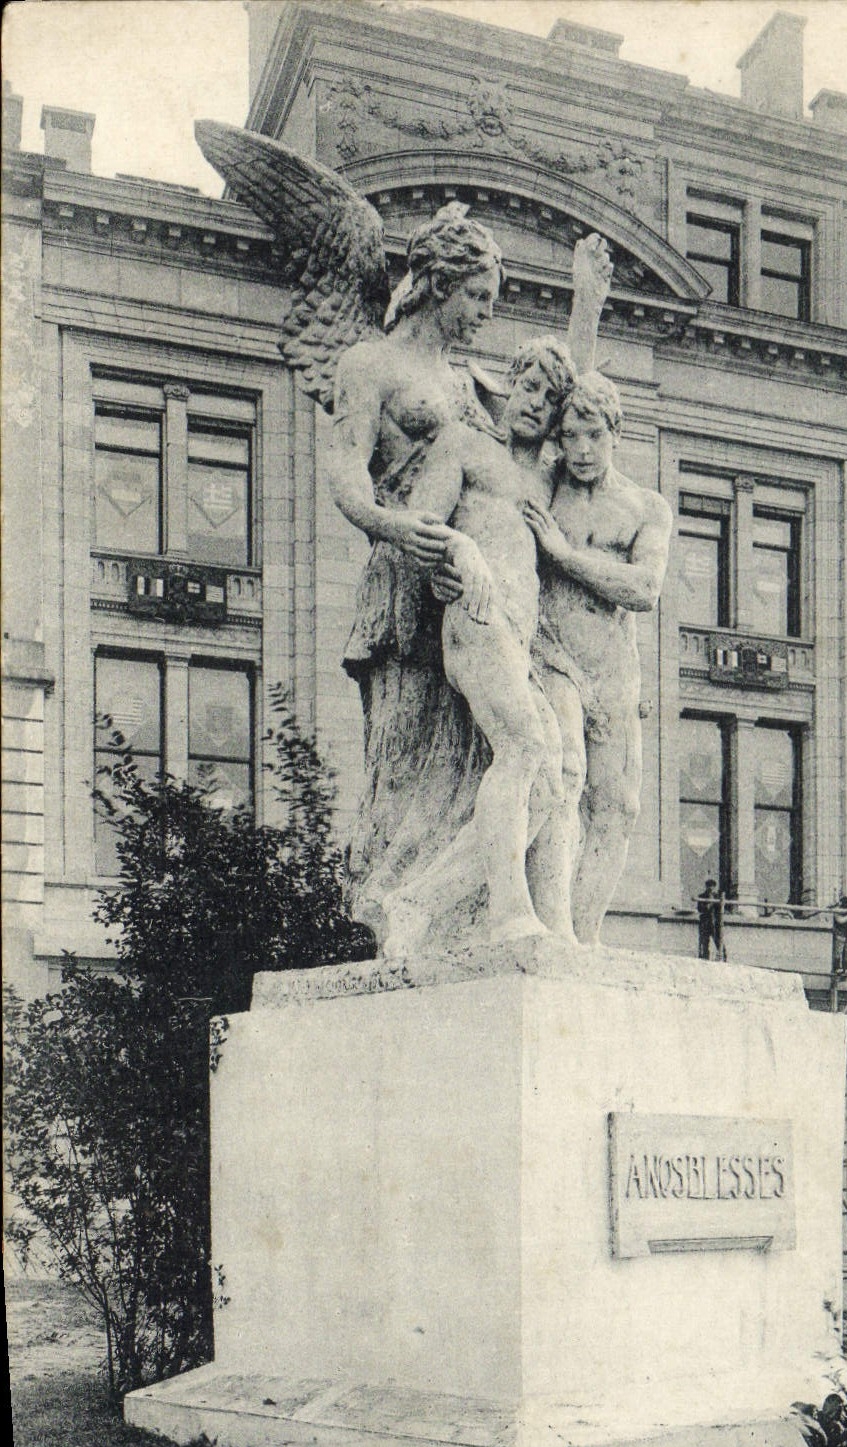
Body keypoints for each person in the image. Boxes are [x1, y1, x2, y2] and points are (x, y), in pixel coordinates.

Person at [329, 218, 611, 926]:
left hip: (471, 592)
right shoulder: (370, 364)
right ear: (440, 284)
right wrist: (427, 540)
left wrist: (586, 308)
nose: (489, 312)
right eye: (480, 295)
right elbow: (346, 483)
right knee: (405, 776)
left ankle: (440, 916)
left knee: (467, 768)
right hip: (408, 577)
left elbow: (548, 407)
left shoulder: (462, 383)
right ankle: (392, 914)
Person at [378, 339, 584, 953]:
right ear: (508, 384)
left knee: (552, 783)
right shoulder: (464, 446)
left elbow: (590, 403)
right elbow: (419, 523)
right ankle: (507, 911)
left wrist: (588, 301)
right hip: (474, 614)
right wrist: (453, 556)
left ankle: (418, 902)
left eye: (550, 402)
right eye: (529, 389)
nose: (537, 406)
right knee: (523, 747)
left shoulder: (548, 477)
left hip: (521, 637)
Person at [522, 373, 672, 945]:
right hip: (551, 655)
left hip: (613, 669)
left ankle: (584, 937)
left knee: (617, 807)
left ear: (616, 432)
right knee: (563, 778)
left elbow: (645, 589)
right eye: (570, 437)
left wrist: (563, 554)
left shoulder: (644, 506)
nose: (581, 451)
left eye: (593, 437)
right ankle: (554, 930)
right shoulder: (542, 486)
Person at [696, 879, 726, 961]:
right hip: (705, 922)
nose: (710, 888)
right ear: (706, 887)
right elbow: (699, 909)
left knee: (718, 940)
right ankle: (705, 958)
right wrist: (707, 906)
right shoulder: (701, 896)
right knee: (704, 941)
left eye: (712, 886)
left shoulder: (718, 897)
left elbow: (720, 910)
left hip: (715, 922)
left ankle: (723, 957)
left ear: (714, 887)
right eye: (709, 886)